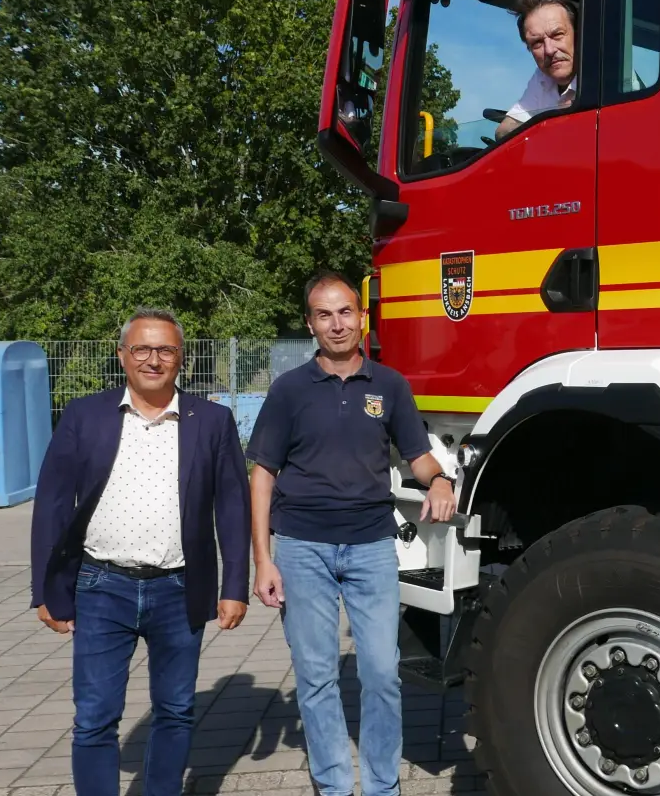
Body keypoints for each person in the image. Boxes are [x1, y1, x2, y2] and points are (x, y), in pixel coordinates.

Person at [246, 271, 458, 796]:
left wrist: (441, 481)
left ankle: (383, 787)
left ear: (362, 318)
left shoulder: (389, 386)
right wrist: (263, 559)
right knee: (316, 678)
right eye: (324, 315)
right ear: (309, 324)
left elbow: (419, 456)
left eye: (346, 312)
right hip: (301, 548)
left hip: (370, 547)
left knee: (383, 674)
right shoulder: (289, 390)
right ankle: (335, 786)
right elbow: (262, 475)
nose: (337, 324)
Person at [30, 308, 251, 796]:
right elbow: (50, 505)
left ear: (181, 359)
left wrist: (234, 585)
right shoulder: (84, 416)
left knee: (175, 710)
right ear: (122, 356)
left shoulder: (212, 421)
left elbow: (233, 507)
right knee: (94, 717)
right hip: (100, 586)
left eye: (166, 350)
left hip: (179, 589)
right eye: (142, 349)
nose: (154, 359)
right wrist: (44, 590)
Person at [493, 0, 578, 138]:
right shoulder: (542, 78)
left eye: (557, 35)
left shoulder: (610, 74)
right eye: (537, 43)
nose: (549, 50)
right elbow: (503, 131)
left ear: (578, 35)